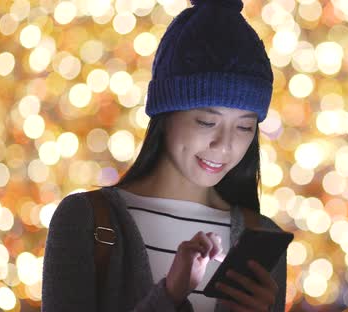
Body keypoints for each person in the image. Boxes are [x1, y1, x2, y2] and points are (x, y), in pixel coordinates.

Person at [40, 0, 287, 310]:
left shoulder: (260, 237)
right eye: (207, 122)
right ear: (165, 114)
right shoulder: (86, 220)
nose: (224, 146)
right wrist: (169, 295)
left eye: (244, 127)